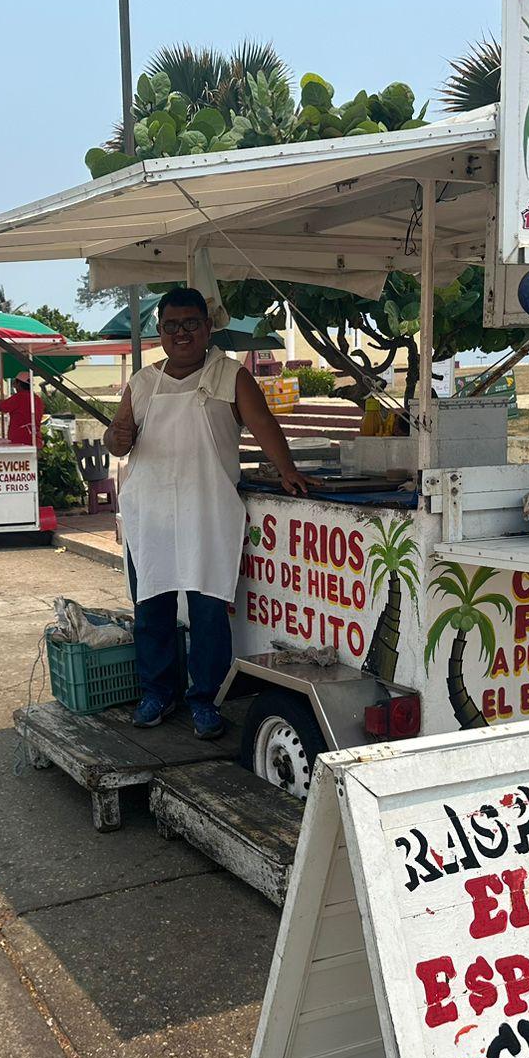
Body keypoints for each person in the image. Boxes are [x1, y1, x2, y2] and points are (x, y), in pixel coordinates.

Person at [104, 286, 309, 740]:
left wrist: (288, 470)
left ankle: (205, 699)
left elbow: (265, 426)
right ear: (160, 331)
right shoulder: (142, 382)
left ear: (207, 326)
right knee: (151, 608)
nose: (181, 333)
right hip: (151, 515)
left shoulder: (230, 375)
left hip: (208, 512)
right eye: (172, 326)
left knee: (209, 610)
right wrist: (114, 439)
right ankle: (157, 693)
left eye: (190, 324)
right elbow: (119, 438)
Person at [0, 370, 44, 448]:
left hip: (21, 441)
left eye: (15, 383)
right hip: (35, 440)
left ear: (19, 383)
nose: (14, 386)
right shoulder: (37, 399)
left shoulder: (19, 397)